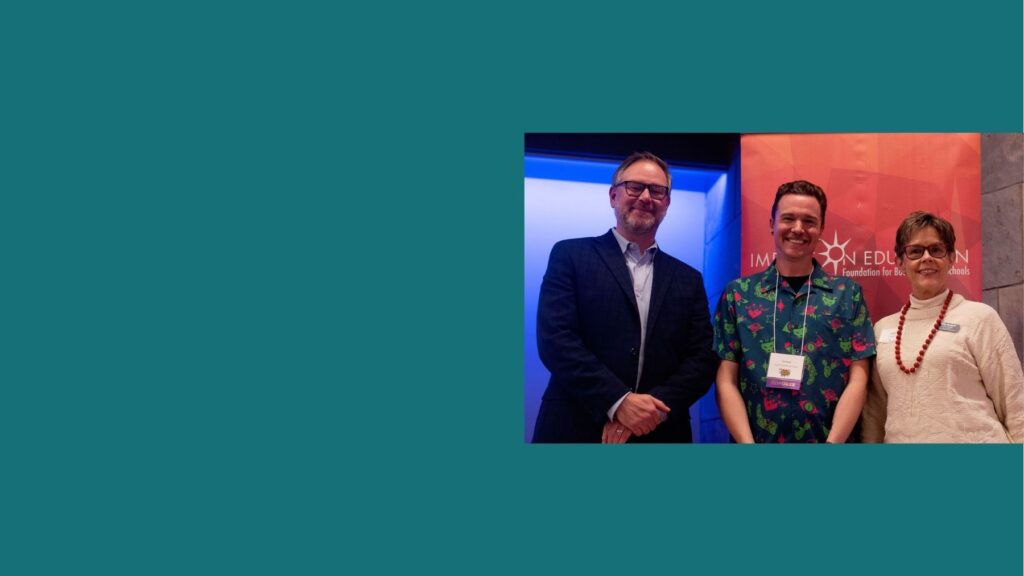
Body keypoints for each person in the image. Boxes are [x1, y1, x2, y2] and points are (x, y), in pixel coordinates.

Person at [532, 151, 718, 443]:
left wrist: (649, 413)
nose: (645, 197)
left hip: (661, 433)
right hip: (574, 427)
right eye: (634, 187)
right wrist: (618, 402)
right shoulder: (570, 255)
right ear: (613, 196)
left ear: (667, 203)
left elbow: (702, 359)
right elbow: (556, 339)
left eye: (657, 191)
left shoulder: (689, 279)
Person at [713, 180, 876, 443]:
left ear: (821, 229)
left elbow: (859, 378)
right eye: (788, 218)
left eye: (809, 221)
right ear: (772, 224)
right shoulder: (738, 294)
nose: (798, 229)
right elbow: (725, 379)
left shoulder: (848, 294)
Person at [862, 212, 1024, 443]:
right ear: (900, 262)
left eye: (936, 250)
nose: (927, 258)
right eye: (915, 251)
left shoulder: (980, 318)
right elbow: (874, 413)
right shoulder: (882, 330)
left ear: (952, 258)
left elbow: (1014, 401)